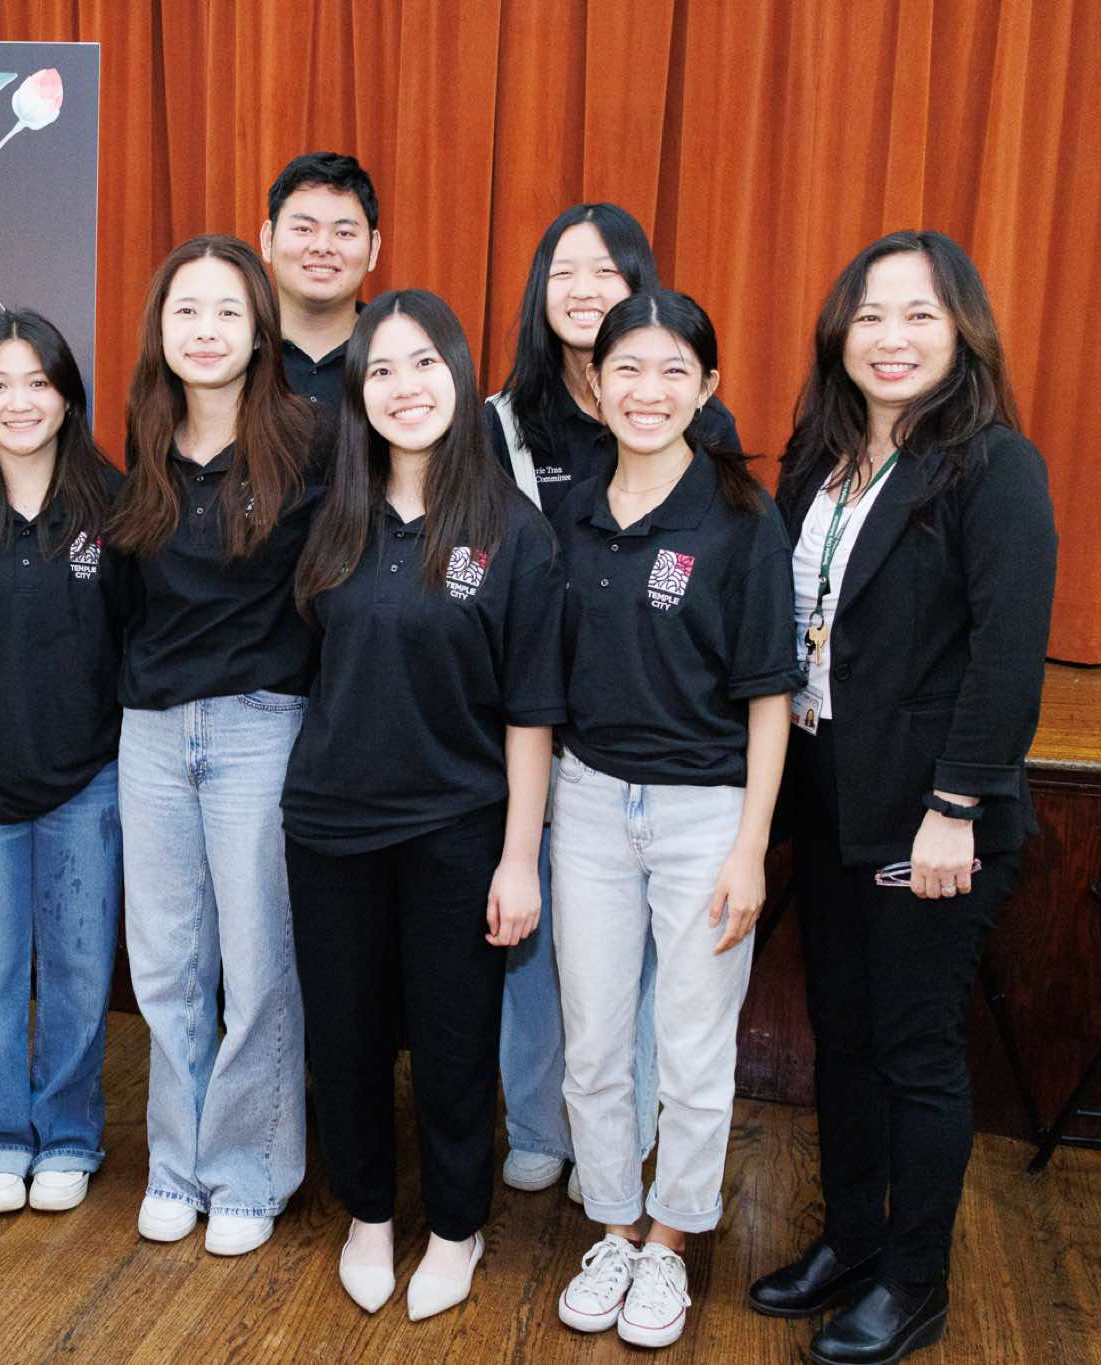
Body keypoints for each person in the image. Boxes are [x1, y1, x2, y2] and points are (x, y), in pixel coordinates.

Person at [748, 232, 1055, 1365]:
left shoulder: (992, 466)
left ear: (962, 331)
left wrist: (955, 808)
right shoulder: (817, 460)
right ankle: (853, 1241)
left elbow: (1006, 658)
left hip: (931, 813)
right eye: (870, 315)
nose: (891, 337)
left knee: (914, 1049)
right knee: (841, 1035)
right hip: (830, 794)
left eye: (919, 314)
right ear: (839, 332)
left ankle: (915, 1282)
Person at [284, 290, 564, 1321]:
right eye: (382, 370)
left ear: (459, 375)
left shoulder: (513, 531)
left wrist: (518, 859)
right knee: (345, 1036)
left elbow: (530, 713)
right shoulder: (332, 519)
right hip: (329, 828)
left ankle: (454, 1225)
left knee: (453, 1042)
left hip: (457, 830)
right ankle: (367, 1214)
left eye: (424, 364)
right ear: (358, 391)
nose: (405, 388)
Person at [545, 290, 797, 1349]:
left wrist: (750, 847)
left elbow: (769, 696)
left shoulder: (741, 518)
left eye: (672, 371)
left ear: (707, 388)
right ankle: (612, 1227)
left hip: (705, 814)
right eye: (627, 370)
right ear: (594, 383)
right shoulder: (569, 514)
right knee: (594, 1041)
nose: (647, 392)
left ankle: (670, 1240)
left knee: (691, 1049)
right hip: (588, 804)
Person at [484, 202, 743, 1196]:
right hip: (537, 723)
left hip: (660, 730)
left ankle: (625, 1143)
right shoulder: (505, 419)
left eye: (606, 271)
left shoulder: (689, 414)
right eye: (564, 271)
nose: (584, 289)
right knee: (541, 940)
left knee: (641, 971)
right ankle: (540, 1124)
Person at [111, 234, 322, 1257]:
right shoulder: (145, 441)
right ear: (161, 329)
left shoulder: (309, 441)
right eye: (186, 310)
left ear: (259, 330)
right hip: (152, 732)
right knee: (164, 964)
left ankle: (248, 1168)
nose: (205, 330)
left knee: (257, 962)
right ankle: (176, 1162)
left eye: (227, 311)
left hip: (259, 727)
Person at [0, 309, 128, 1217]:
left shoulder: (116, 504)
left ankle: (70, 1131)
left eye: (39, 382)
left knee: (81, 971)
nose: (20, 401)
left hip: (88, 779)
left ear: (68, 395)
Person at [260, 152, 381, 408]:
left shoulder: (399, 354)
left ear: (373, 249)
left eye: (344, 233)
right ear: (268, 240)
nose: (322, 247)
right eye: (304, 229)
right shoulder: (232, 349)